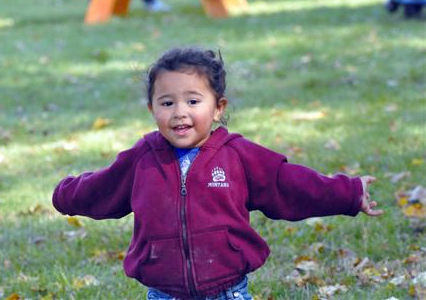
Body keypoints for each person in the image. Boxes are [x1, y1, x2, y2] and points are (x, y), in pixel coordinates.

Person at [52, 47, 383, 299]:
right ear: (152, 109)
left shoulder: (238, 155)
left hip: (227, 290)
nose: (180, 112)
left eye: (193, 101)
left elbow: (290, 184)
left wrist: (347, 192)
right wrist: (66, 194)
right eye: (167, 103)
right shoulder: (143, 159)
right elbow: (103, 188)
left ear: (218, 108)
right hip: (163, 291)